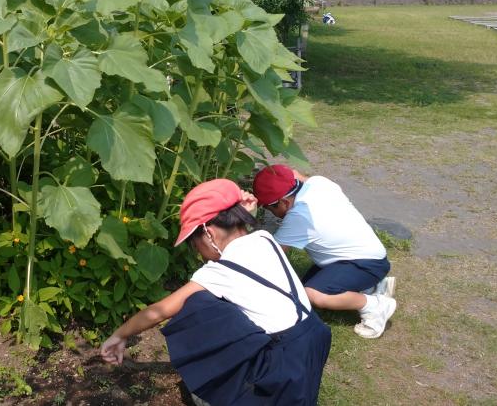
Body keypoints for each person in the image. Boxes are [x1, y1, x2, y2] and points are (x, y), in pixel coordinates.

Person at [100, 179, 331, 405]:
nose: (198, 252)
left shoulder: (220, 272)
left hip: (280, 363)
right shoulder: (264, 238)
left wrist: (119, 335)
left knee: (196, 303)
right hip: (313, 338)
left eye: (194, 243)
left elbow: (158, 312)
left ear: (208, 234)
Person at [253, 164, 396, 339]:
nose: (273, 215)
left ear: (283, 202)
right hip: (370, 255)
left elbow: (271, 257)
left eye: (269, 208)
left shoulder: (299, 216)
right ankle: (371, 286)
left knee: (313, 294)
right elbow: (297, 174)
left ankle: (375, 306)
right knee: (302, 287)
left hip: (366, 264)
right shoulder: (319, 183)